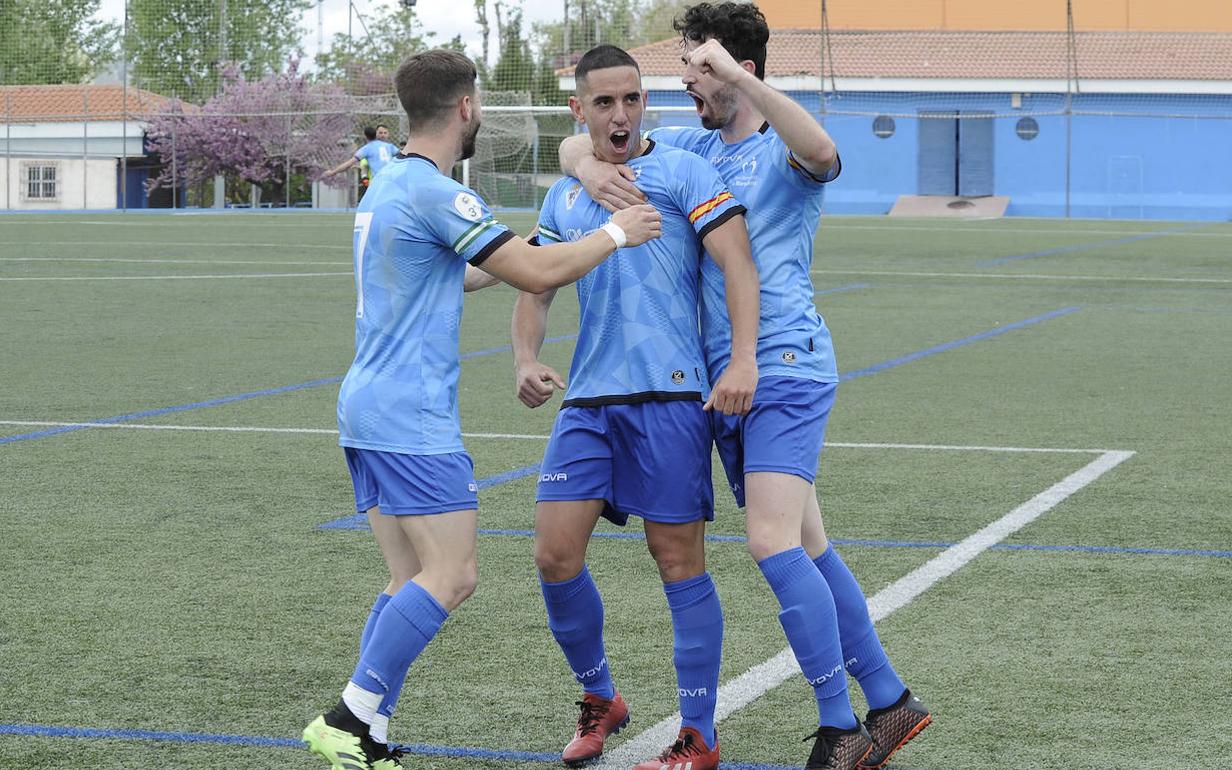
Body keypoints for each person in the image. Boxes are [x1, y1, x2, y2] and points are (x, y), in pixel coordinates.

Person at [557, 4, 932, 769]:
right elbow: (583, 141)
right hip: (722, 383)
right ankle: (890, 702)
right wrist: (585, 164)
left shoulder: (782, 152)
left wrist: (742, 81)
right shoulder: (693, 145)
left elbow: (824, 150)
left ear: (741, 73)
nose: (687, 83)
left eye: (702, 69)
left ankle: (840, 731)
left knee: (768, 542)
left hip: (781, 366)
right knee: (809, 547)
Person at [300, 48, 662, 770]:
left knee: (408, 580)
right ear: (465, 108)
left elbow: (466, 270)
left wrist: (540, 239)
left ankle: (364, 731)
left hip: (367, 409)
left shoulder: (389, 183)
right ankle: (348, 716)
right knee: (453, 575)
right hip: (410, 417)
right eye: (481, 106)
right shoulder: (436, 192)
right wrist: (617, 233)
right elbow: (531, 273)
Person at [514, 44, 759, 770]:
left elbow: (737, 264)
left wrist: (742, 359)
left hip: (672, 397)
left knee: (677, 560)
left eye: (632, 99)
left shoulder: (685, 171)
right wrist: (526, 358)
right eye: (604, 103)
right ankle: (602, 700)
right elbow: (535, 285)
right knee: (553, 556)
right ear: (579, 109)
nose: (621, 115)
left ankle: (699, 735)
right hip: (588, 401)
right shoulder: (567, 193)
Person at [323, 124, 403, 188]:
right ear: (376, 134)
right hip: (392, 180)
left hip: (379, 181)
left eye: (385, 133)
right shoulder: (390, 146)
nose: (383, 135)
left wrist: (333, 172)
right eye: (381, 133)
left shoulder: (367, 149)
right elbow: (403, 156)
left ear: (365, 136)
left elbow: (350, 163)